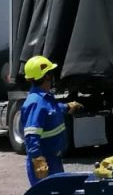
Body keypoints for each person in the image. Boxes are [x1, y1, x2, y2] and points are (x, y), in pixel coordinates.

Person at [21, 55, 82, 186]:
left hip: (53, 159)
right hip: (45, 161)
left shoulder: (44, 99)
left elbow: (51, 110)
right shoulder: (35, 102)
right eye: (50, 72)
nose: (53, 76)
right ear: (45, 76)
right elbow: (31, 135)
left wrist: (67, 107)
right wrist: (38, 160)